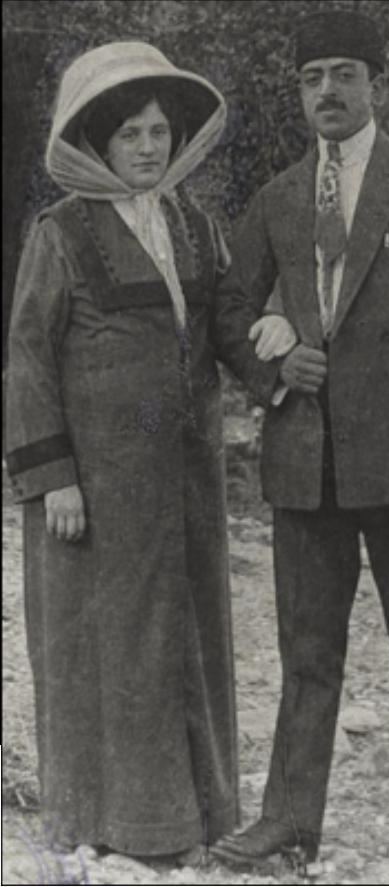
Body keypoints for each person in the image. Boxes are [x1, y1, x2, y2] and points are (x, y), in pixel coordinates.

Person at [210, 10, 389, 878]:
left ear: (373, 83)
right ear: (299, 93)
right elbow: (229, 313)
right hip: (307, 458)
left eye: (344, 74)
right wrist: (273, 363)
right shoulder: (278, 197)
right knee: (306, 650)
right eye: (312, 78)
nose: (328, 92)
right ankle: (290, 822)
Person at [5, 41, 291, 860]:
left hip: (184, 481)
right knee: (111, 644)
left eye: (159, 130)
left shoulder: (194, 224)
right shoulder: (58, 234)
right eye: (129, 132)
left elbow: (226, 331)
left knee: (186, 634)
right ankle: (116, 825)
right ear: (97, 142)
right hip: (95, 488)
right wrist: (52, 475)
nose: (148, 146)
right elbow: (27, 356)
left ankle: (193, 818)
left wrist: (274, 353)